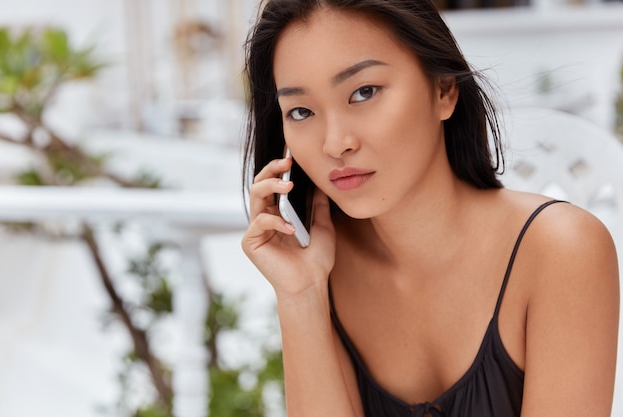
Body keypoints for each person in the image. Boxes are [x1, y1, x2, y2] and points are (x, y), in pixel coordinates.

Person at [240, 1, 620, 416]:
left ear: (444, 89)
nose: (335, 144)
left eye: (363, 92)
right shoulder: (321, 269)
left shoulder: (559, 251)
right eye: (301, 111)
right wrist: (300, 297)